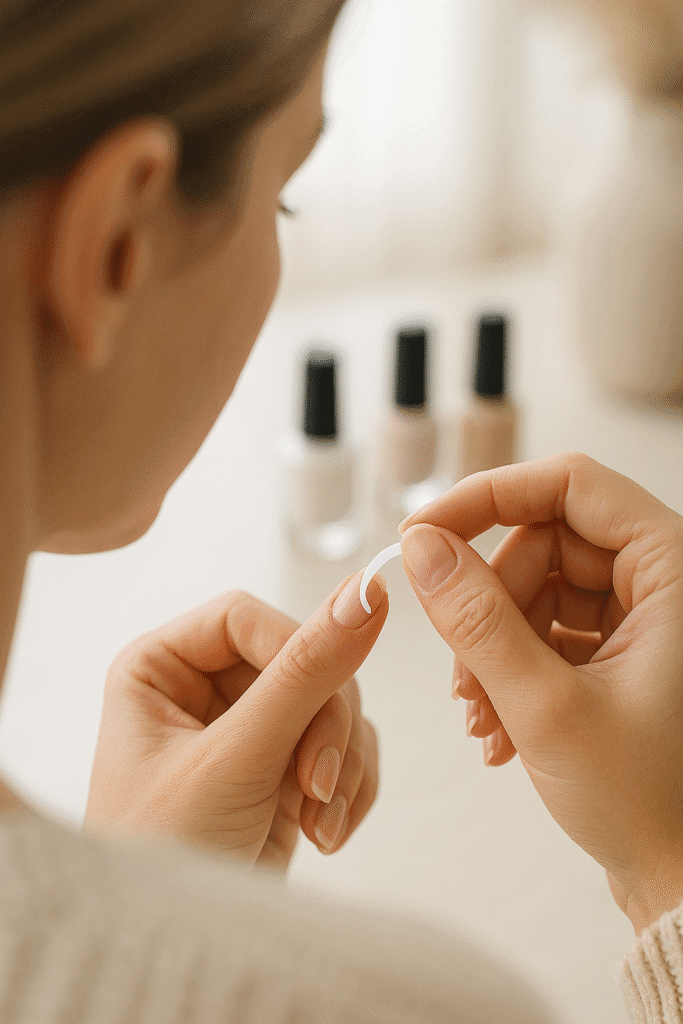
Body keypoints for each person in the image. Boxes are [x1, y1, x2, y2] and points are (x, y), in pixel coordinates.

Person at [0, 0, 679, 1021]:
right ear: (116, 246)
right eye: (284, 202)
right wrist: (667, 871)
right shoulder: (407, 1005)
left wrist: (140, 885)